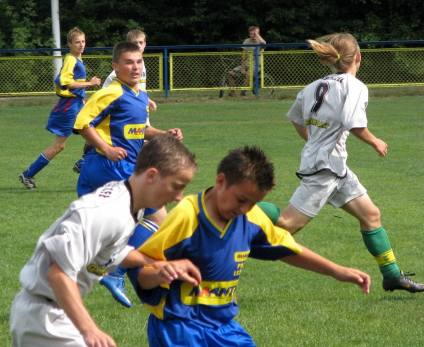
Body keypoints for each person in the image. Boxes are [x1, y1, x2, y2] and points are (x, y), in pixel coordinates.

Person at [128, 145, 371, 347]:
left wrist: (338, 271)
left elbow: (287, 249)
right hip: (180, 328)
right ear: (221, 181)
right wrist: (160, 272)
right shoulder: (187, 216)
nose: (244, 209)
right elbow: (141, 272)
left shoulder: (250, 218)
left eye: (253, 203)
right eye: (241, 199)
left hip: (224, 328)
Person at [259, 33, 424, 293]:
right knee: (287, 225)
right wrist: (375, 141)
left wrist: (313, 140)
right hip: (325, 167)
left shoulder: (313, 86)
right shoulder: (354, 85)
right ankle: (233, 208)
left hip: (334, 166)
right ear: (358, 57)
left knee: (370, 215)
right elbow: (353, 122)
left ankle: (392, 276)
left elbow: (295, 117)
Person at [10, 135, 202, 347]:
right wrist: (89, 330)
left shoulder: (130, 204)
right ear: (152, 176)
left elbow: (113, 251)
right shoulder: (108, 212)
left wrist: (159, 264)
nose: (179, 197)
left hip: (52, 311)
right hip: (45, 319)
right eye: (177, 186)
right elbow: (58, 274)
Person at [73, 40, 183, 307]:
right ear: (115, 66)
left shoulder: (140, 96)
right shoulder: (111, 92)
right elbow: (81, 123)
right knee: (155, 218)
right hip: (110, 166)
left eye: (138, 62)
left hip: (127, 166)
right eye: (128, 62)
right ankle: (113, 270)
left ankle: (99, 270)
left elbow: (139, 130)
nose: (135, 67)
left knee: (143, 221)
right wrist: (107, 149)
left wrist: (164, 134)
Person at [18, 27, 101, 189]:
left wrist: (81, 99)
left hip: (75, 104)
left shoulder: (77, 58)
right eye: (77, 42)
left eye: (83, 41)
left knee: (97, 130)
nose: (81, 45)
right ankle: (28, 174)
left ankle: (83, 163)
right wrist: (90, 83)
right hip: (68, 108)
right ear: (69, 44)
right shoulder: (71, 59)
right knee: (59, 145)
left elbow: (65, 83)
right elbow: (65, 82)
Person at [72, 29, 157, 174]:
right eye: (135, 43)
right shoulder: (115, 84)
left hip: (137, 106)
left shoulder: (141, 69)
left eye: (141, 43)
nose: (135, 67)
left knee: (138, 138)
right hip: (122, 114)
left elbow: (137, 89)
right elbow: (107, 94)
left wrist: (146, 99)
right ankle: (89, 157)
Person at [227, 26, 266, 97]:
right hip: (247, 64)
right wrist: (243, 67)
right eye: (251, 34)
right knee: (230, 74)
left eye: (255, 33)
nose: (253, 35)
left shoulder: (260, 41)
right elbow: (243, 55)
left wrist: (257, 34)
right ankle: (233, 92)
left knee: (249, 74)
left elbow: (263, 43)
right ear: (249, 34)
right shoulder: (247, 41)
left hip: (257, 65)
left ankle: (243, 92)